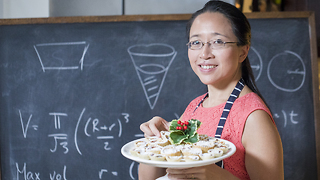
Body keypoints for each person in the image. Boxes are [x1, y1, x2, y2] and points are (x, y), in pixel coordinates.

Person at [139, 0, 284, 179]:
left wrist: (219, 176)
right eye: (196, 42)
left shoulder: (253, 117)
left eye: (218, 41)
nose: (205, 53)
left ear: (243, 52)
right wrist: (157, 141)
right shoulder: (194, 107)